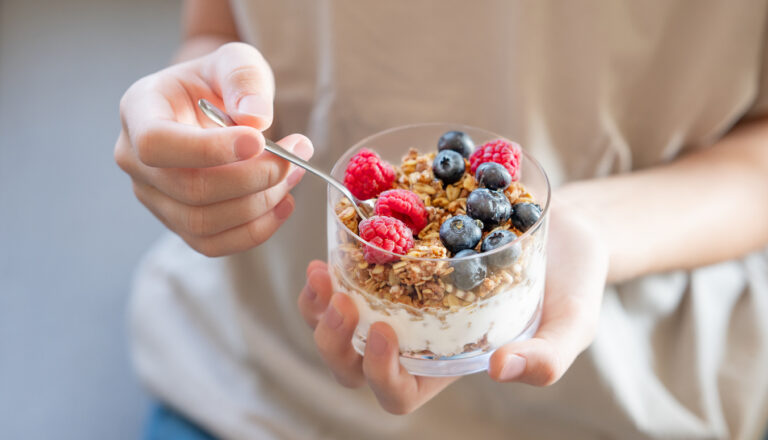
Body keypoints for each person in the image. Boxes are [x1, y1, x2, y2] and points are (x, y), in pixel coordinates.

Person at [115, 1, 768, 439]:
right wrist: (203, 108)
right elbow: (219, 17)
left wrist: (594, 226)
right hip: (259, 373)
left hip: (631, 398)